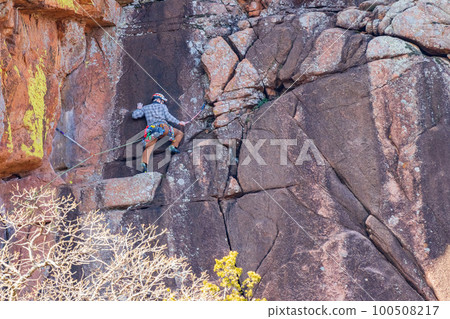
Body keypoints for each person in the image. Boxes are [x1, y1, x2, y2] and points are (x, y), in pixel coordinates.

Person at [132, 93, 186, 172]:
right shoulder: (162, 106)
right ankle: (172, 146)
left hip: (151, 129)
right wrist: (179, 122)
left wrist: (139, 108)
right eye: (162, 101)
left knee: (149, 147)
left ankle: (143, 163)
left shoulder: (146, 108)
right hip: (163, 127)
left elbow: (134, 115)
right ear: (158, 99)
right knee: (180, 133)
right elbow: (168, 116)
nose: (163, 102)